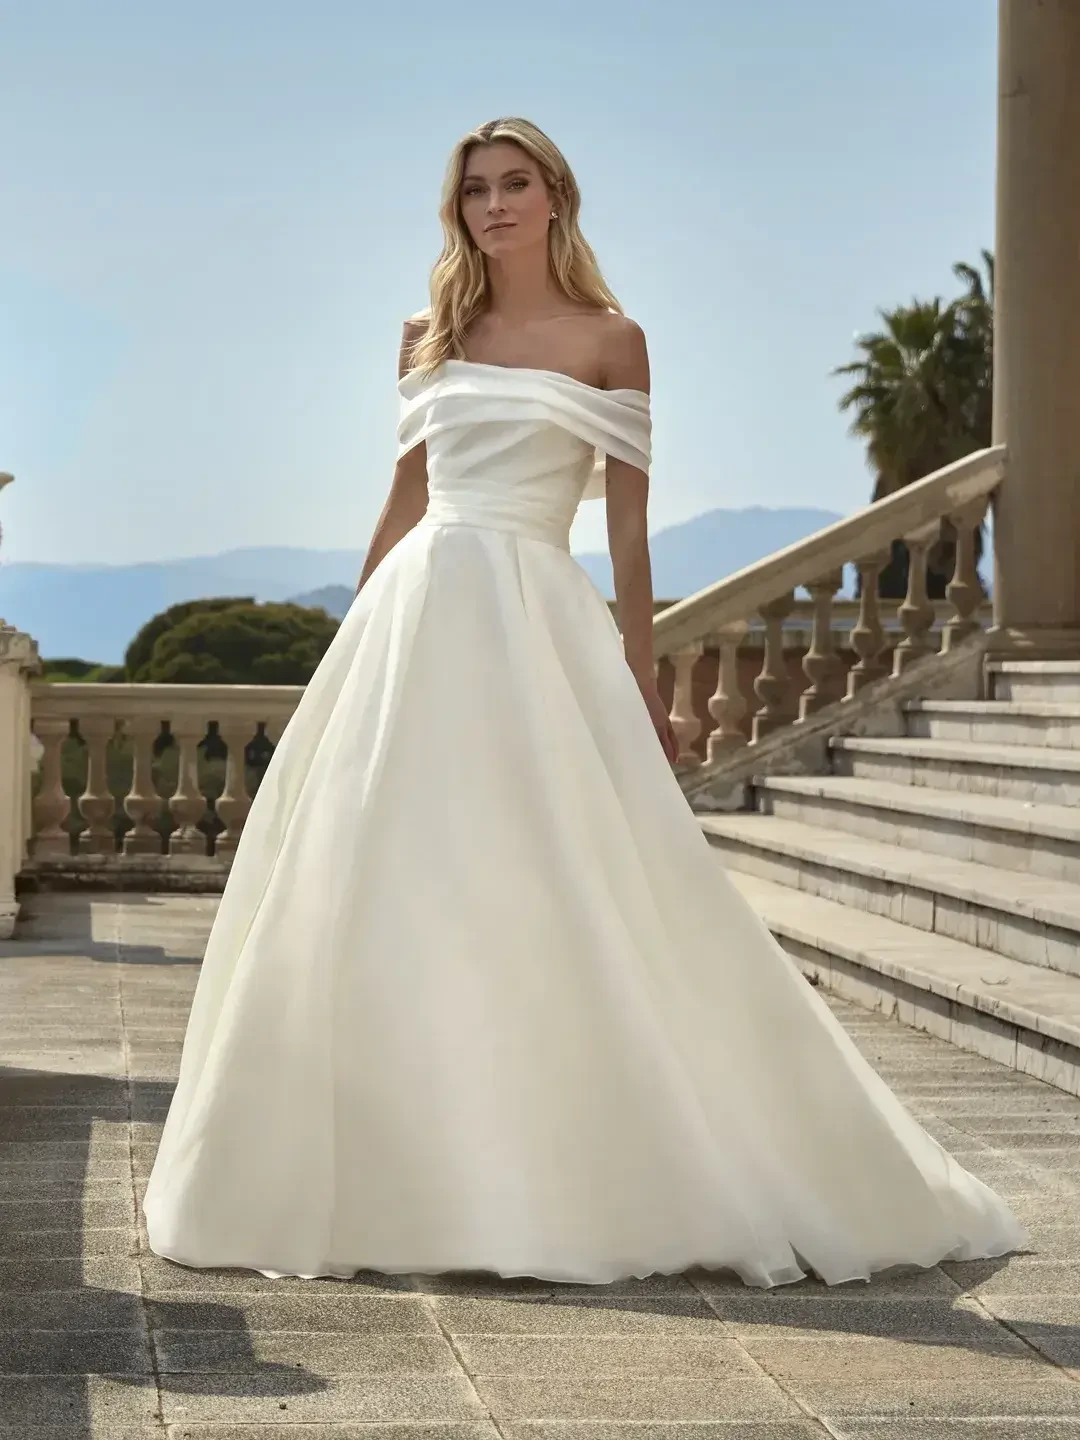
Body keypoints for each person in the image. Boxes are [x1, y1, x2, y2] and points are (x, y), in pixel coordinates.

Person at [143, 116, 1027, 1288]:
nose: (494, 206)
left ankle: (578, 1171)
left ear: (556, 196)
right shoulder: (430, 335)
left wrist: (643, 679)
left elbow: (626, 535)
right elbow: (405, 495)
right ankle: (397, 1174)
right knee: (387, 887)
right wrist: (349, 637)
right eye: (474, 192)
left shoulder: (615, 342)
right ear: (456, 210)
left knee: (556, 883)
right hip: (414, 626)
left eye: (515, 184)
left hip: (533, 626)